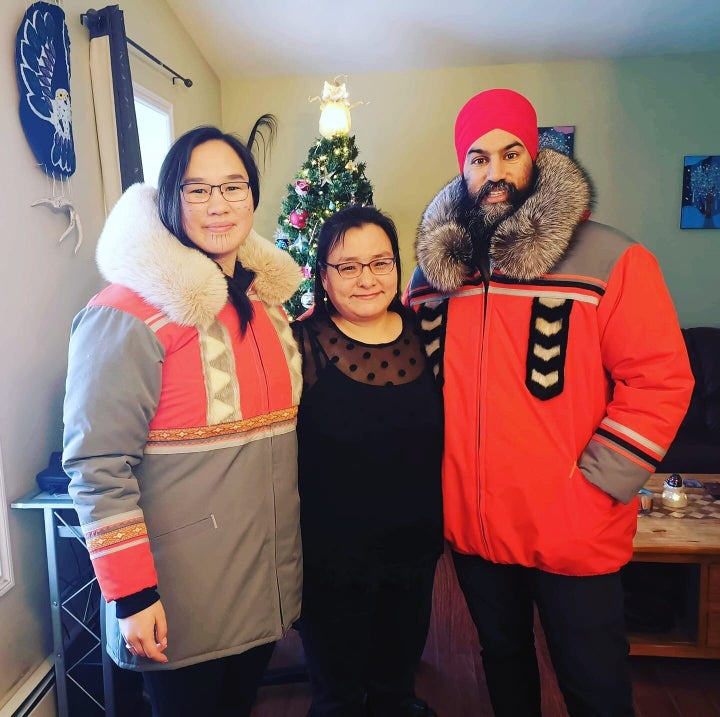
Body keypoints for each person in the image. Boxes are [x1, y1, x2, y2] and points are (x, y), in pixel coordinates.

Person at [404, 88, 694, 717]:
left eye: (511, 155)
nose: (496, 172)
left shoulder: (611, 258)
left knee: (592, 680)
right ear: (462, 167)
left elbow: (661, 379)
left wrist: (599, 485)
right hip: (474, 529)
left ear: (535, 158)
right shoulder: (432, 280)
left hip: (573, 525)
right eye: (479, 158)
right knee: (503, 664)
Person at [62, 125, 304, 717]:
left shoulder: (268, 306)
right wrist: (132, 594)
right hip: (180, 604)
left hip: (261, 590)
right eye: (197, 190)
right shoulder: (123, 314)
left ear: (252, 195)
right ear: (170, 199)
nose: (218, 204)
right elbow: (96, 468)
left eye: (233, 186)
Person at [292, 205, 443, 717]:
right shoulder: (300, 344)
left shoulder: (427, 335)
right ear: (324, 277)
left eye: (380, 263)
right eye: (348, 266)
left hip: (414, 549)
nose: (366, 279)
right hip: (332, 558)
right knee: (337, 694)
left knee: (395, 686)